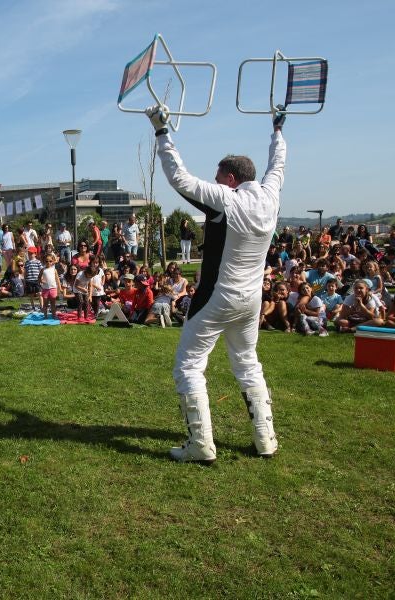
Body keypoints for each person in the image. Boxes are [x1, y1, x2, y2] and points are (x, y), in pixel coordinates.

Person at [146, 102, 286, 463]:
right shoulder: (271, 195)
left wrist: (162, 132)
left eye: (218, 174)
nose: (215, 178)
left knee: (189, 366)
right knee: (247, 363)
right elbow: (278, 164)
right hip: (251, 299)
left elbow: (180, 179)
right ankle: (266, 439)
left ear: (230, 179)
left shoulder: (226, 199)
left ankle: (201, 444)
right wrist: (278, 131)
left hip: (217, 297)